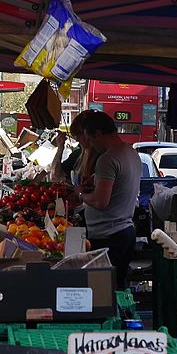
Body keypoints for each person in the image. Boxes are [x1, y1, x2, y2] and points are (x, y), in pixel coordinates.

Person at [73, 111, 139, 289]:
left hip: (109, 236)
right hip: (124, 231)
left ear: (99, 134)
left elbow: (101, 202)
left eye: (91, 140)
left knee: (104, 290)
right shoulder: (131, 152)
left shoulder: (107, 159)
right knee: (117, 286)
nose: (91, 146)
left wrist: (80, 195)